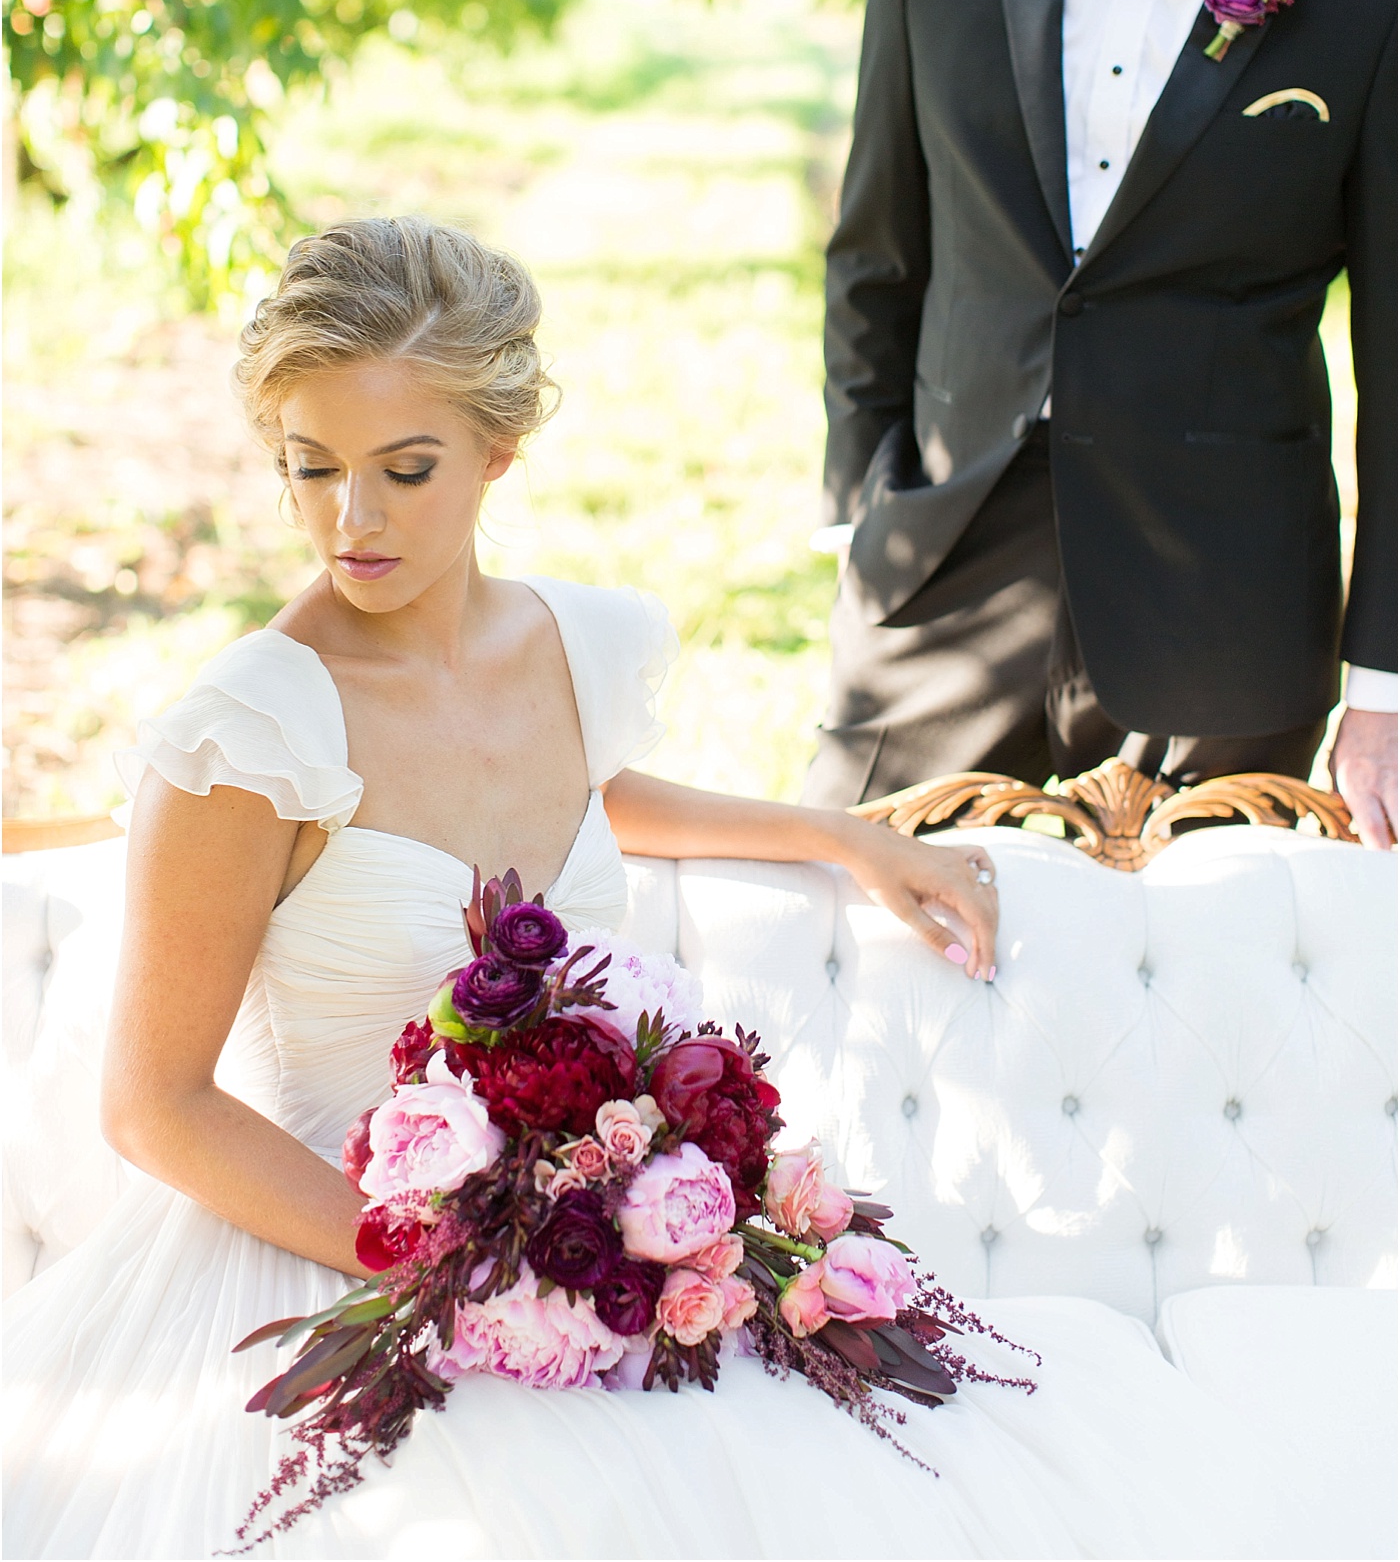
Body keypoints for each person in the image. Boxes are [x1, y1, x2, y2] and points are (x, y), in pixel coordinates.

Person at [5, 216, 1320, 1561]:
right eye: (311, 469)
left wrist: (849, 838)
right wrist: (449, 1270)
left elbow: (587, 795)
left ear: (499, 453)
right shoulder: (252, 732)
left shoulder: (573, 646)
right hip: (332, 1252)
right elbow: (152, 1103)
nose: (353, 519)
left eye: (405, 470)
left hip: (585, 1253)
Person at [802, 0, 1397, 847]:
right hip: (935, 595)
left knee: (1191, 1033)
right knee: (862, 989)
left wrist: (1387, 683)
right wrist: (862, 519)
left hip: (1227, 628)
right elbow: (876, 253)